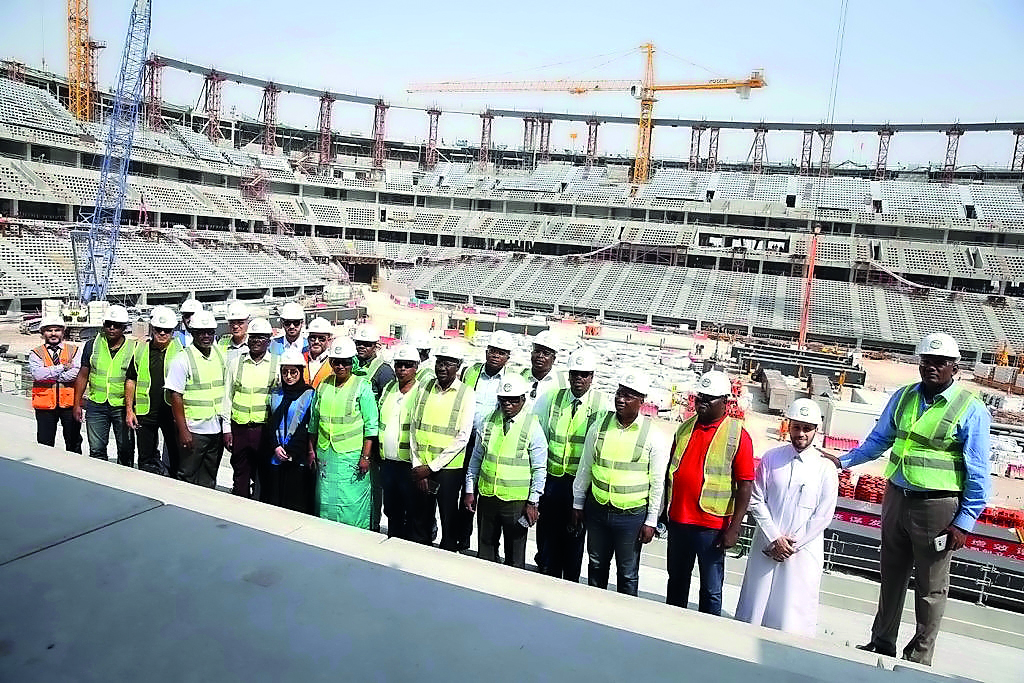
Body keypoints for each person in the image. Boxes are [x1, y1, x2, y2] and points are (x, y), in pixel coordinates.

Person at [824, 332, 990, 665]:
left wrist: (964, 523)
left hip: (938, 507)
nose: (932, 367)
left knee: (931, 586)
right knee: (891, 575)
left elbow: (979, 472)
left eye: (940, 362)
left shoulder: (970, 409)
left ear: (954, 367)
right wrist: (842, 461)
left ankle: (919, 656)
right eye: (926, 361)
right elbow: (878, 441)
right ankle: (881, 641)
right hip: (897, 496)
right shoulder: (903, 398)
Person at [735, 398, 838, 637]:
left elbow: (823, 515)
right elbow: (756, 498)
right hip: (767, 544)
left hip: (802, 550)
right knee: (756, 606)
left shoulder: (825, 468)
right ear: (788, 426)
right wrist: (774, 538)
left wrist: (792, 545)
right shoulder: (772, 458)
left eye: (806, 428)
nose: (800, 433)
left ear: (816, 430)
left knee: (793, 613)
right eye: (796, 427)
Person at [663, 370, 754, 615]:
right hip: (679, 521)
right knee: (677, 581)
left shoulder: (737, 435)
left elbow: (745, 485)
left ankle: (709, 638)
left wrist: (734, 527)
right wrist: (665, 510)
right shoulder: (684, 429)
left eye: (709, 398)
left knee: (711, 588)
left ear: (725, 401)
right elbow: (671, 471)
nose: (701, 402)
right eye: (699, 396)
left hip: (711, 526)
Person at [572, 372, 669, 596]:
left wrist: (651, 520)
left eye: (628, 396)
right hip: (597, 510)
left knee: (627, 572)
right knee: (596, 565)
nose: (621, 399)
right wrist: (577, 504)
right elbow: (586, 466)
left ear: (641, 401)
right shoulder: (599, 426)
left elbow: (657, 483)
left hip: (631, 517)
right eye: (619, 393)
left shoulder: (653, 436)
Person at [534, 348, 609, 581]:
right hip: (553, 479)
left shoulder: (601, 404)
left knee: (574, 535)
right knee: (547, 531)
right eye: (575, 374)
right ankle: (547, 571)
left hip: (580, 483)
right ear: (568, 375)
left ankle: (570, 579)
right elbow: (539, 435)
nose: (579, 379)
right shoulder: (552, 398)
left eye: (584, 375)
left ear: (592, 377)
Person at [464, 374, 547, 568]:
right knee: (485, 547)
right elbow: (476, 458)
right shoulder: (488, 422)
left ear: (523, 400)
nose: (508, 404)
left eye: (513, 400)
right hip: (488, 496)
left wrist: (533, 502)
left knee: (515, 553)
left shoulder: (532, 426)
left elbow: (539, 469)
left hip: (515, 502)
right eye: (503, 400)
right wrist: (469, 490)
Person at [408, 341, 475, 550]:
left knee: (448, 519)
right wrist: (418, 465)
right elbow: (414, 426)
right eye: (440, 363)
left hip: (448, 469)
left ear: (458, 367)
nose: (442, 368)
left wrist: (432, 467)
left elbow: (462, 437)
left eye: (448, 363)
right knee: (421, 519)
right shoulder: (424, 387)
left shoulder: (466, 393)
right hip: (422, 466)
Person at [456, 329, 517, 550]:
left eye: (501, 353)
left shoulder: (511, 380)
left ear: (507, 357)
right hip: (464, 440)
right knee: (464, 489)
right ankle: (461, 537)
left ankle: (489, 544)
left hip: (490, 443)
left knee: (485, 495)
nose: (495, 356)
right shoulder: (471, 371)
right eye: (493, 351)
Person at [309, 337, 379, 529]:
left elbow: (371, 426)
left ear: (352, 362)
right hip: (326, 453)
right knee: (326, 499)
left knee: (351, 502)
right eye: (336, 362)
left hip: (351, 456)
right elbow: (314, 421)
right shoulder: (324, 385)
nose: (341, 366)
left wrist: (366, 456)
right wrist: (311, 450)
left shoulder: (362, 387)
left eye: (345, 362)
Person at [165, 310, 229, 487]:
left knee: (209, 476)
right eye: (201, 332)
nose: (206, 336)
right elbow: (175, 396)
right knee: (188, 475)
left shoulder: (220, 356)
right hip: (194, 430)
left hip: (215, 428)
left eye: (209, 332)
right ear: (193, 333)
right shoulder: (182, 359)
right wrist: (183, 430)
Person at [73, 304, 136, 465]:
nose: (112, 328)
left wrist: (130, 409)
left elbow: (134, 380)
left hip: (121, 406)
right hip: (96, 404)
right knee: (97, 450)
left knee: (126, 449)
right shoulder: (92, 345)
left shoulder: (133, 348)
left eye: (117, 325)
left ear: (124, 328)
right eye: (108, 324)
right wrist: (77, 404)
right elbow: (83, 374)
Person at [125, 306, 183, 475]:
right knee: (146, 456)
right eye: (159, 329)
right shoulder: (141, 350)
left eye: (167, 330)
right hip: (146, 411)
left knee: (176, 454)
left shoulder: (180, 352)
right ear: (152, 329)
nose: (163, 333)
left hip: (171, 412)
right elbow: (131, 380)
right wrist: (130, 410)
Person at [224, 317, 277, 497]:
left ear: (268, 341)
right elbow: (227, 397)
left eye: (261, 338)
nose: (256, 341)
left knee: (264, 474)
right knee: (240, 474)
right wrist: (226, 430)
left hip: (263, 430)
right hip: (240, 429)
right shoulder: (235, 363)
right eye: (253, 337)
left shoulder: (276, 365)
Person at [260, 348, 316, 514]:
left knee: (295, 503)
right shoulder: (276, 393)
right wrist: (276, 447)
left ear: (300, 372)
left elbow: (307, 426)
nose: (289, 376)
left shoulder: (309, 394)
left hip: (297, 458)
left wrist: (291, 452)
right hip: (276, 455)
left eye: (293, 372)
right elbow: (270, 425)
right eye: (285, 372)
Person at [352, 323, 395, 533]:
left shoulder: (383, 371)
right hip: (353, 434)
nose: (361, 347)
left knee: (374, 484)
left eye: (366, 344)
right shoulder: (350, 364)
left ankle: (373, 523)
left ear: (375, 346)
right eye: (359, 343)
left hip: (372, 436)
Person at [378, 344, 422, 540]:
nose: (402, 369)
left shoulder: (421, 392)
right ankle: (393, 540)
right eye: (399, 365)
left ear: (416, 368)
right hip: (388, 462)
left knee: (411, 510)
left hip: (408, 464)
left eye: (407, 365)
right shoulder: (389, 388)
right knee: (391, 509)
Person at [28, 315, 82, 453]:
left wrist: (51, 374)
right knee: (45, 443)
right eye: (49, 330)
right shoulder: (36, 353)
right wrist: (62, 367)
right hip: (45, 406)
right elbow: (38, 375)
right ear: (43, 333)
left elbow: (76, 373)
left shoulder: (73, 350)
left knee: (74, 442)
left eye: (57, 330)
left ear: (63, 332)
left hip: (69, 405)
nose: (53, 334)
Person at [522, 329, 566, 402]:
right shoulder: (520, 377)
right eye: (537, 351)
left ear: (554, 359)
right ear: (531, 353)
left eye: (546, 353)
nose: (540, 356)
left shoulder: (561, 382)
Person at [303, 317, 334, 388]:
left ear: (329, 340)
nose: (316, 341)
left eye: (321, 338)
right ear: (308, 339)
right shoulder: (300, 358)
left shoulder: (334, 361)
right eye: (313, 338)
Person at [218, 302, 250, 366]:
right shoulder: (222, 343)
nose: (235, 326)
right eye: (232, 323)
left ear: (247, 322)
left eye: (240, 323)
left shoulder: (255, 345)